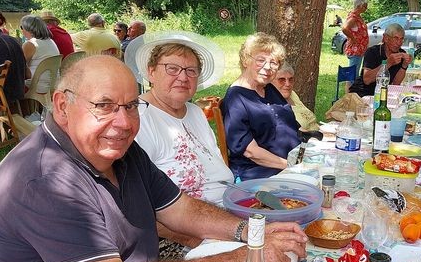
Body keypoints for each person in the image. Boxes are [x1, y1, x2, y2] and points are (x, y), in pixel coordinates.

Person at [0, 55, 307, 262]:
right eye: (104, 106)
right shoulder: (46, 180)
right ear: (62, 106)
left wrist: (250, 233)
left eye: (131, 106)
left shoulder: (119, 150)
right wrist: (242, 260)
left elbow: (181, 209)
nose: (123, 122)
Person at [133, 31, 231, 208]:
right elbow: (140, 204)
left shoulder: (195, 112)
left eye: (191, 71)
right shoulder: (138, 116)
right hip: (187, 229)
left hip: (229, 208)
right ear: (151, 72)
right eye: (172, 68)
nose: (183, 77)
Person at [222, 33, 300, 180]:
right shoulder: (237, 99)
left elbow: (289, 127)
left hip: (290, 165)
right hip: (260, 173)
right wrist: (292, 166)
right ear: (246, 61)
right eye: (261, 60)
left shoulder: (269, 88)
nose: (267, 67)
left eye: (274, 62)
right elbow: (251, 152)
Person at [348, 23, 411, 97]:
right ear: (386, 38)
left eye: (401, 39)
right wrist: (388, 64)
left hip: (382, 95)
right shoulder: (372, 52)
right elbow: (367, 80)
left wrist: (404, 65)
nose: (399, 43)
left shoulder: (401, 53)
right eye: (396, 38)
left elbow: (396, 83)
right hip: (362, 93)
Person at [272, 62, 320, 132]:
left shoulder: (292, 94)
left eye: (290, 79)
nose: (288, 84)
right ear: (270, 81)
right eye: (281, 80)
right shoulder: (272, 103)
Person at [20, 14, 60, 93]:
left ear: (28, 29)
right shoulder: (51, 41)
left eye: (22, 27)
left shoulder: (30, 44)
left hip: (37, 85)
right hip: (54, 83)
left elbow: (20, 67)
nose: (21, 30)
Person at [342, 0, 369, 73]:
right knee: (353, 75)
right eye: (365, 6)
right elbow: (344, 28)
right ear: (359, 5)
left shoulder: (358, 17)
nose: (366, 8)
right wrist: (353, 39)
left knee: (354, 74)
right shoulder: (353, 18)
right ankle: (351, 86)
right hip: (355, 50)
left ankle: (351, 85)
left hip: (360, 50)